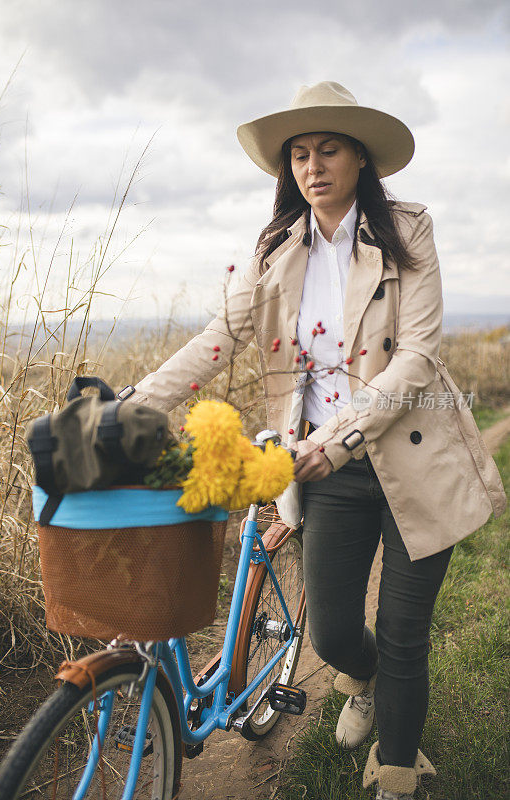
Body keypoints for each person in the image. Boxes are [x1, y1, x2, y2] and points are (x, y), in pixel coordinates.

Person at [122, 81, 506, 800]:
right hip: (325, 469)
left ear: (359, 158)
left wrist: (338, 436)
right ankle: (362, 685)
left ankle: (396, 770)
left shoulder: (406, 229)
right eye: (298, 154)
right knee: (329, 634)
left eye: (328, 148)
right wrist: (136, 404)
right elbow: (221, 337)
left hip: (411, 457)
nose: (312, 165)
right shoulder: (275, 248)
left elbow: (416, 355)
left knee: (399, 631)